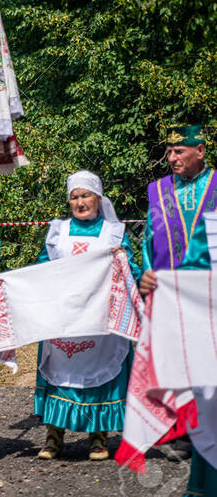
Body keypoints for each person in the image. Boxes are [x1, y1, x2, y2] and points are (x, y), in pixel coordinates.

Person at [33, 170, 141, 460]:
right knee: (62, 373)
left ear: (98, 198)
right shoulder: (58, 230)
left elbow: (134, 273)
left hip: (100, 319)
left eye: (86, 195)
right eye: (74, 197)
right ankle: (54, 437)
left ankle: (98, 437)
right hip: (65, 317)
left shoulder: (114, 232)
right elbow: (43, 267)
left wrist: (123, 259)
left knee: (100, 370)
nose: (80, 202)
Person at [138, 125, 216, 492]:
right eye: (168, 152)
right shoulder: (158, 191)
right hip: (169, 297)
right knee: (174, 364)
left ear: (200, 150)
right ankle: (178, 432)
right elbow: (148, 240)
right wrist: (145, 274)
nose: (171, 159)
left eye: (179, 151)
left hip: (210, 300)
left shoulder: (216, 186)